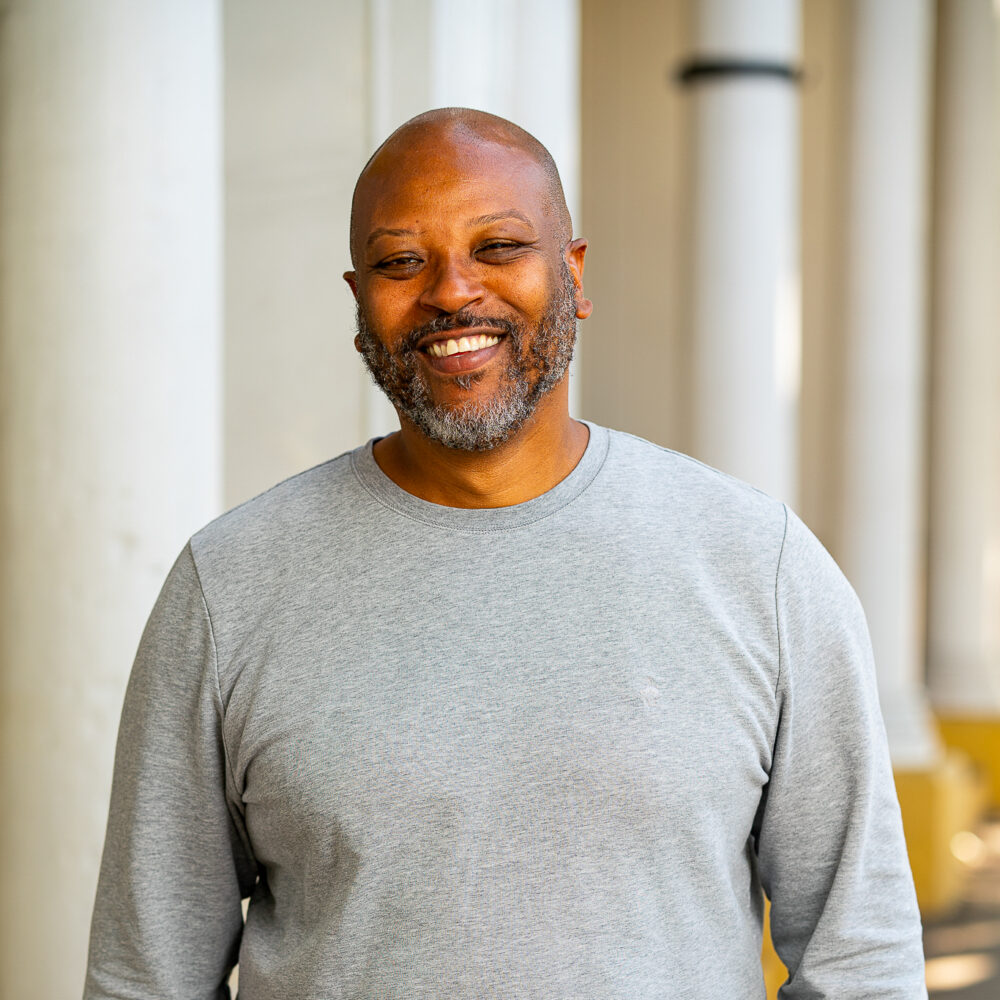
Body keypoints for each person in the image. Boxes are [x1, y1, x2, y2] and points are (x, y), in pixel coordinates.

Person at [84, 108, 926, 999]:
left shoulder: (759, 566)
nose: (452, 291)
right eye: (401, 261)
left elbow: (860, 961)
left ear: (574, 274)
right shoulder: (229, 586)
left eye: (498, 247)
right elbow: (148, 977)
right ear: (360, 303)